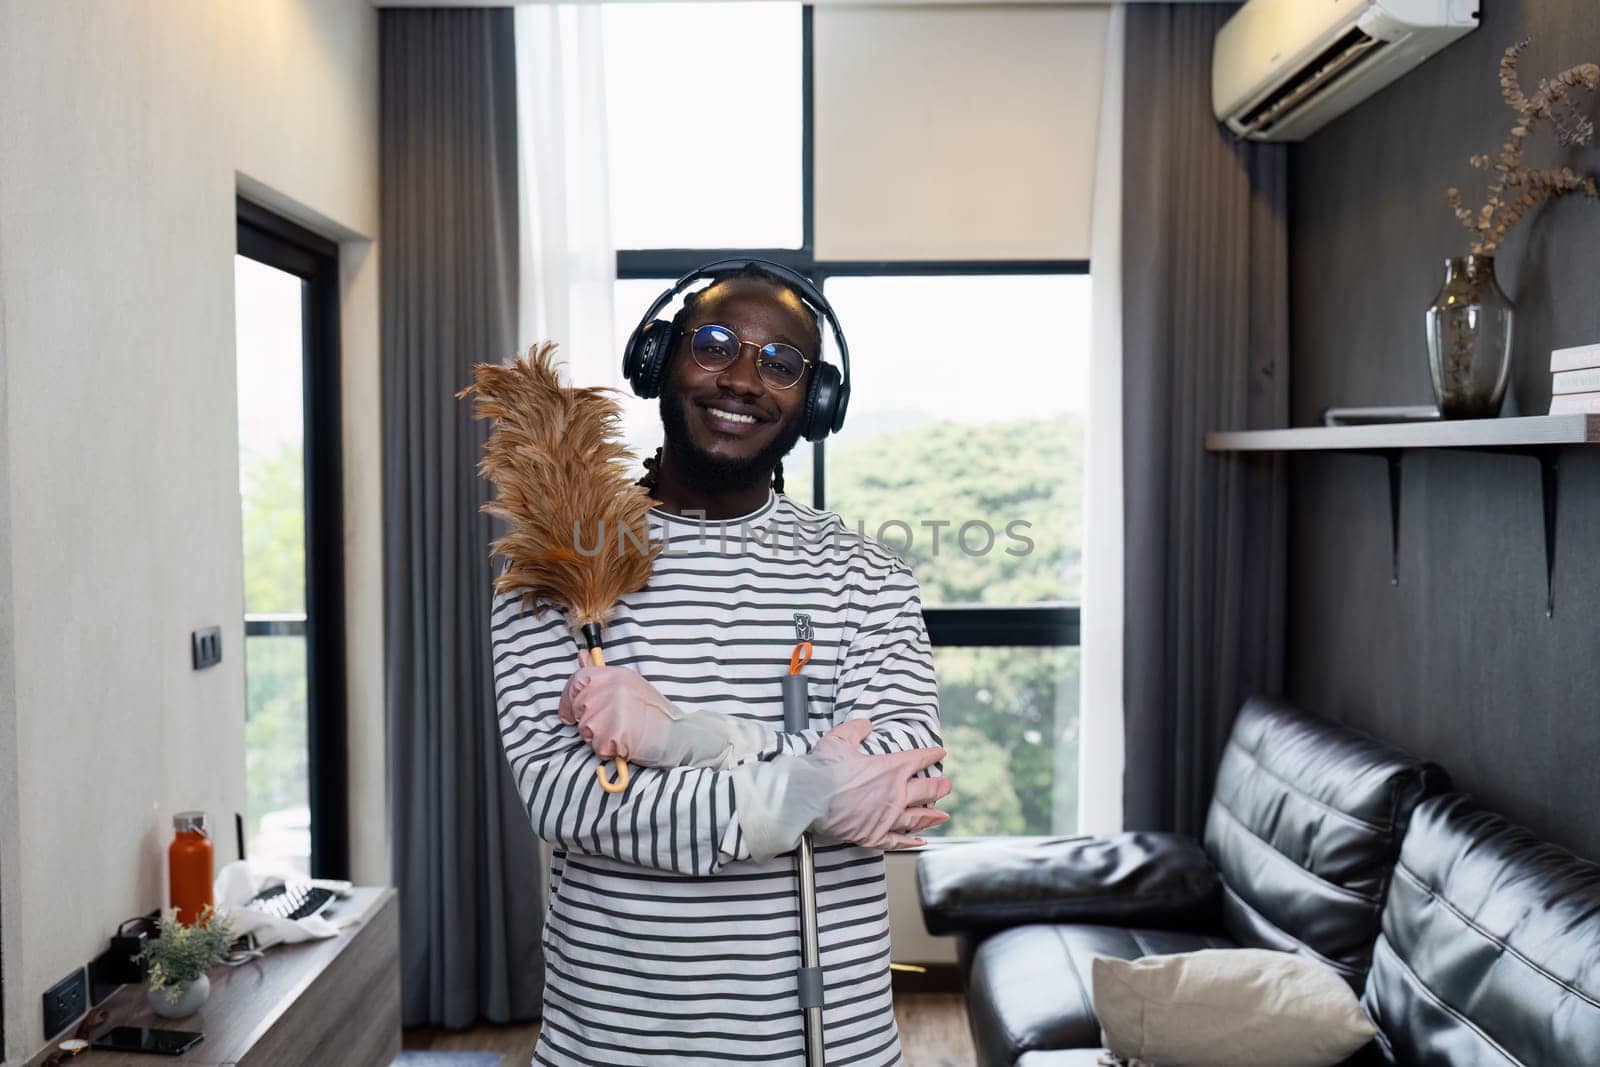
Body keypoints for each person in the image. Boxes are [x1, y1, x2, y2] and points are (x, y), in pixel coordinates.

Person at [491, 262, 949, 1065]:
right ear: (660, 358)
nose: (743, 378)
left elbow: (902, 776)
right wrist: (814, 789)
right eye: (714, 345)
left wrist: (678, 740)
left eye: (782, 364)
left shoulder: (867, 574)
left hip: (831, 1044)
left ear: (815, 403)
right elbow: (571, 803)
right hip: (612, 1044)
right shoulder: (555, 562)